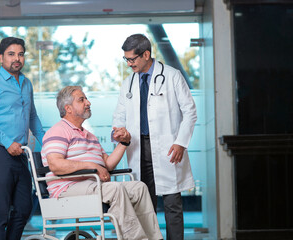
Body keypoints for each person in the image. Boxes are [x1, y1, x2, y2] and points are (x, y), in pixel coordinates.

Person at [41, 86, 163, 240]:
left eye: (86, 99)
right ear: (68, 108)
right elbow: (56, 165)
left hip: (93, 185)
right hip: (67, 188)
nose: (88, 102)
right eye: (82, 100)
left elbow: (108, 165)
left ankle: (155, 238)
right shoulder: (58, 131)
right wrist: (91, 166)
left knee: (139, 188)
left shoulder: (89, 135)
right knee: (115, 189)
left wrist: (124, 143)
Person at [112, 34, 197, 240]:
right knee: (143, 203)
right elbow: (119, 116)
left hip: (169, 148)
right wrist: (118, 130)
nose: (129, 64)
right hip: (138, 149)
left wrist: (180, 143)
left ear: (146, 54)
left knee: (172, 203)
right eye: (126, 59)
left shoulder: (172, 75)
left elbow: (190, 112)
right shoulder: (128, 83)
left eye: (132, 59)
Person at [0, 37, 45, 240]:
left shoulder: (26, 83)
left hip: (20, 154)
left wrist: (48, 145)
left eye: (21, 54)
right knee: (1, 210)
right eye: (11, 54)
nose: (17, 58)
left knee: (24, 207)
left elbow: (32, 117)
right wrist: (7, 142)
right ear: (1, 57)